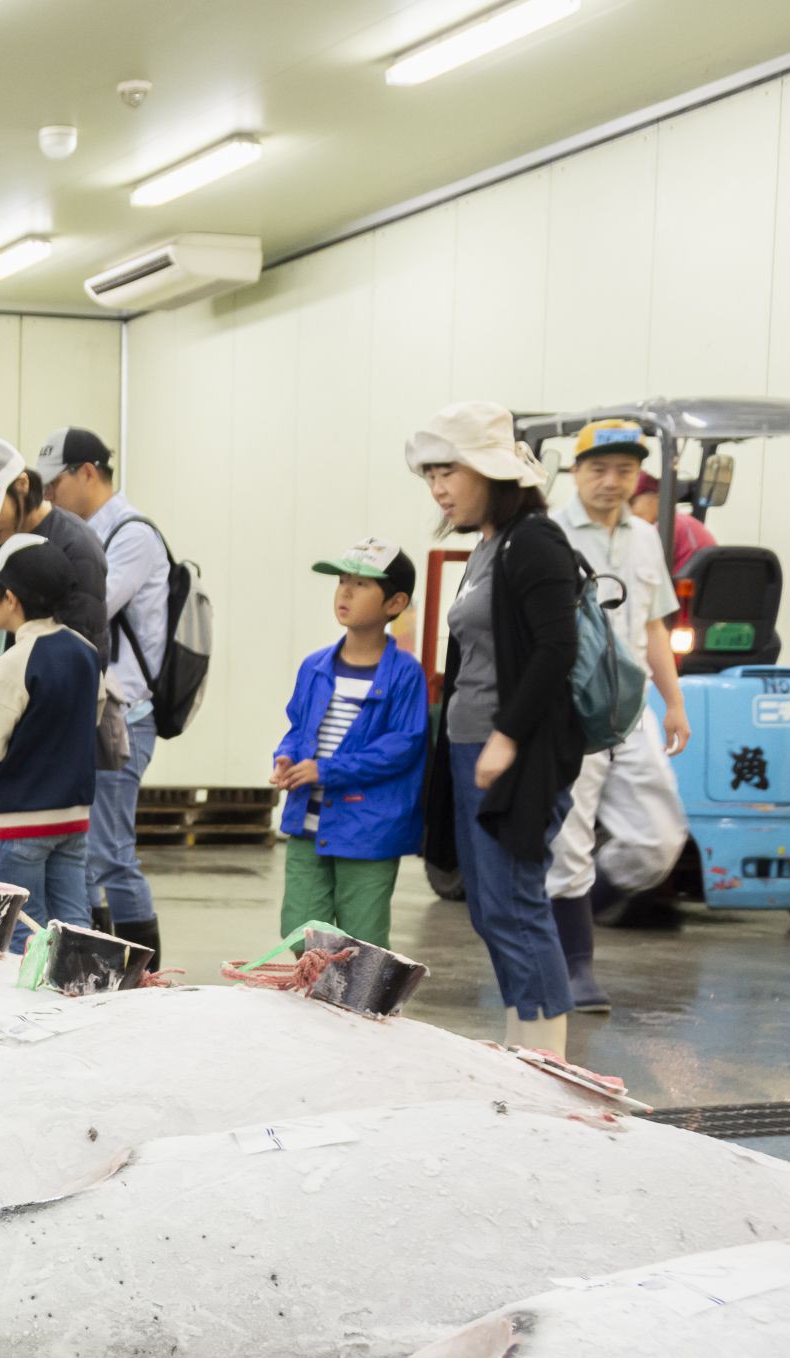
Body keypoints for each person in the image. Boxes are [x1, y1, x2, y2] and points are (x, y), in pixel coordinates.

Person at [408, 402, 584, 1052]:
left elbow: (554, 649)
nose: (439, 488)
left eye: (448, 471)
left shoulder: (535, 539)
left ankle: (547, 1056)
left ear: (489, 470)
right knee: (488, 909)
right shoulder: (488, 545)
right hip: (469, 747)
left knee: (515, 903)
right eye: (430, 475)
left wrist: (507, 737)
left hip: (513, 751)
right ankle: (522, 1042)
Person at [549, 420, 694, 1013]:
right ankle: (573, 966)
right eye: (598, 469)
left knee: (659, 838)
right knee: (569, 840)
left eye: (625, 471)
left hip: (628, 706)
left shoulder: (644, 538)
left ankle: (569, 913)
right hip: (568, 708)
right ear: (576, 472)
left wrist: (675, 701)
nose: (611, 482)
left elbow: (655, 624)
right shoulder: (550, 533)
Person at [0, 436, 106, 869]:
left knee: (50, 885)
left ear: (23, 486)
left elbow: (81, 664)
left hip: (41, 758)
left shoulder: (76, 547)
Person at [37, 427, 170, 961]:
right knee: (86, 852)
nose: (48, 496)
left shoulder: (131, 535)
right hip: (92, 713)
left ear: (86, 472)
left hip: (125, 716)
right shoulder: (87, 533)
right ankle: (98, 963)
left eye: (54, 483)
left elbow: (84, 610)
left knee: (111, 852)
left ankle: (144, 968)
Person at [272, 542, 429, 946]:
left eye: (361, 584)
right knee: (301, 934)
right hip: (308, 821)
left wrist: (327, 770)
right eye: (342, 581)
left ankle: (359, 1011)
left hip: (369, 830)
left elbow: (403, 746)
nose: (344, 592)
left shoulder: (405, 674)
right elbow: (298, 725)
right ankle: (318, 1008)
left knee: (363, 943)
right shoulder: (315, 665)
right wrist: (286, 756)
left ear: (395, 602)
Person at [0, 538, 102, 944]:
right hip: (73, 816)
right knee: (75, 922)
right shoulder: (86, 651)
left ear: (10, 598)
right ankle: (85, 997)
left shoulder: (12, 662)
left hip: (22, 820)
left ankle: (29, 1008)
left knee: (23, 931)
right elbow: (93, 714)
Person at [631, 471, 716, 574]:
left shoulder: (667, 527)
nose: (626, 512)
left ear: (656, 497)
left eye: (631, 503)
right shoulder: (682, 522)